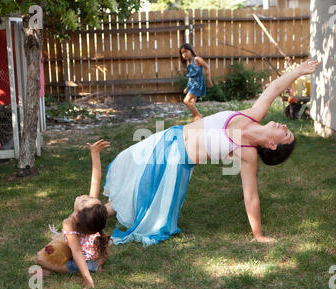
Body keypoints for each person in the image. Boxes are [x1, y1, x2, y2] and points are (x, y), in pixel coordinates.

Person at [103, 59, 321, 246]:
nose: (284, 127)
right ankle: (90, 216)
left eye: (286, 134)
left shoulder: (248, 154)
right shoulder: (254, 114)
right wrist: (299, 71)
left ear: (273, 146)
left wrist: (258, 235)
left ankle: (90, 219)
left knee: (140, 192)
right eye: (286, 129)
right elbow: (274, 88)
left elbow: (251, 195)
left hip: (175, 161)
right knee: (130, 175)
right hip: (168, 137)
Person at [36, 139, 111, 289]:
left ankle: (85, 268)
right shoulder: (90, 215)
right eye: (88, 198)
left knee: (40, 259)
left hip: (86, 260)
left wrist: (87, 279)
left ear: (77, 215)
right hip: (95, 254)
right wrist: (95, 154)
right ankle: (97, 264)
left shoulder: (69, 223)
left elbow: (76, 252)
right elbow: (95, 181)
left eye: (84, 200)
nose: (84, 196)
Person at [180, 43, 213, 121]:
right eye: (182, 53)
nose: (184, 54)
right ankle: (197, 119)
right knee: (191, 103)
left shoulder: (197, 59)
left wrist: (208, 79)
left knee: (186, 101)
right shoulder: (189, 63)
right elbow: (190, 77)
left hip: (197, 83)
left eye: (185, 51)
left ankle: (198, 115)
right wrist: (187, 87)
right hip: (192, 84)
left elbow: (207, 67)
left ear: (191, 51)